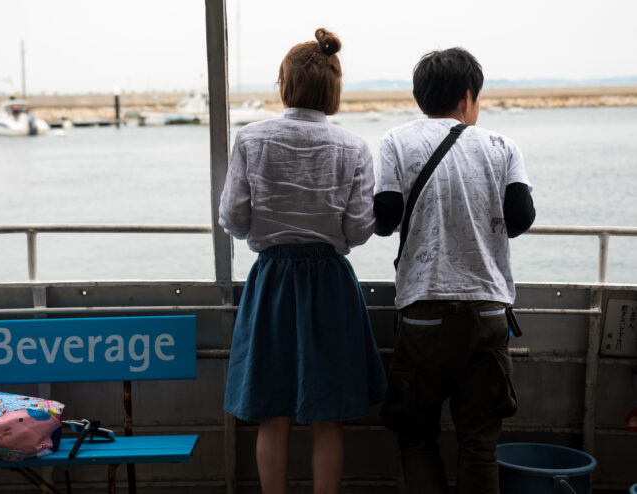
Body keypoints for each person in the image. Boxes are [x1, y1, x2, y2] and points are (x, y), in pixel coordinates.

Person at [219, 28, 387, 494]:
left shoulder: (251, 140)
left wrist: (268, 232)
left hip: (272, 279)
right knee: (327, 415)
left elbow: (232, 218)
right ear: (333, 88)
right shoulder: (353, 147)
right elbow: (358, 230)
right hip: (330, 284)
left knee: (272, 414)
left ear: (285, 84)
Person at [373, 47, 536, 494]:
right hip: (486, 314)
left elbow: (384, 218)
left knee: (417, 433)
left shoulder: (395, 142)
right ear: (468, 97)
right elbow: (520, 218)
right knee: (480, 441)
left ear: (420, 96)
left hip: (422, 315)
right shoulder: (503, 147)